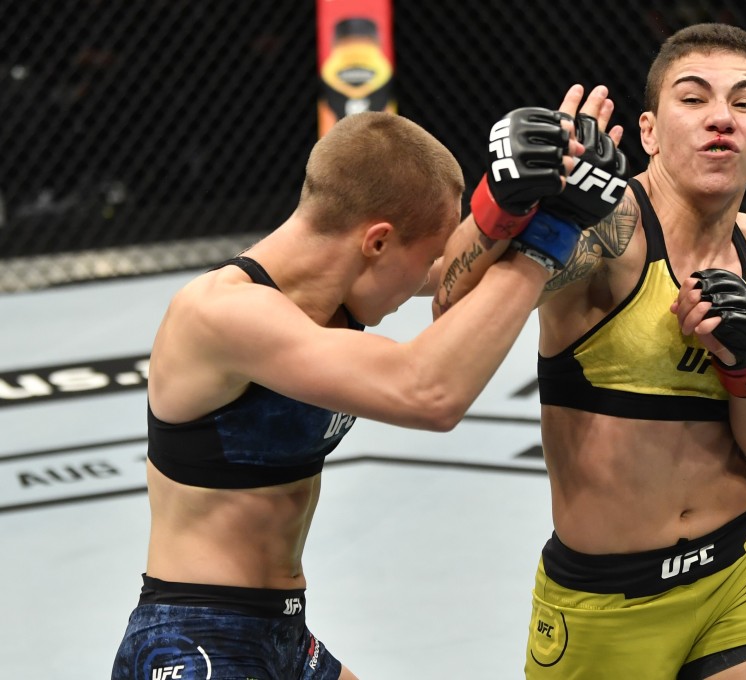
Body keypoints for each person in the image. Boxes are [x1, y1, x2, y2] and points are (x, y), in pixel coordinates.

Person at [109, 104, 612, 680]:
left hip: (283, 634)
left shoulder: (339, 286)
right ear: (376, 242)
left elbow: (458, 264)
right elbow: (428, 392)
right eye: (423, 258)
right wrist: (549, 237)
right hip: (193, 640)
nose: (434, 277)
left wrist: (518, 200)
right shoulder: (222, 313)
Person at [433, 24, 746, 679]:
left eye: (745, 103)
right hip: (605, 602)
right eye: (694, 99)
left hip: (741, 573)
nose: (722, 118)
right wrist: (504, 200)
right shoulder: (609, 229)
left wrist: (745, 368)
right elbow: (451, 300)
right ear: (648, 131)